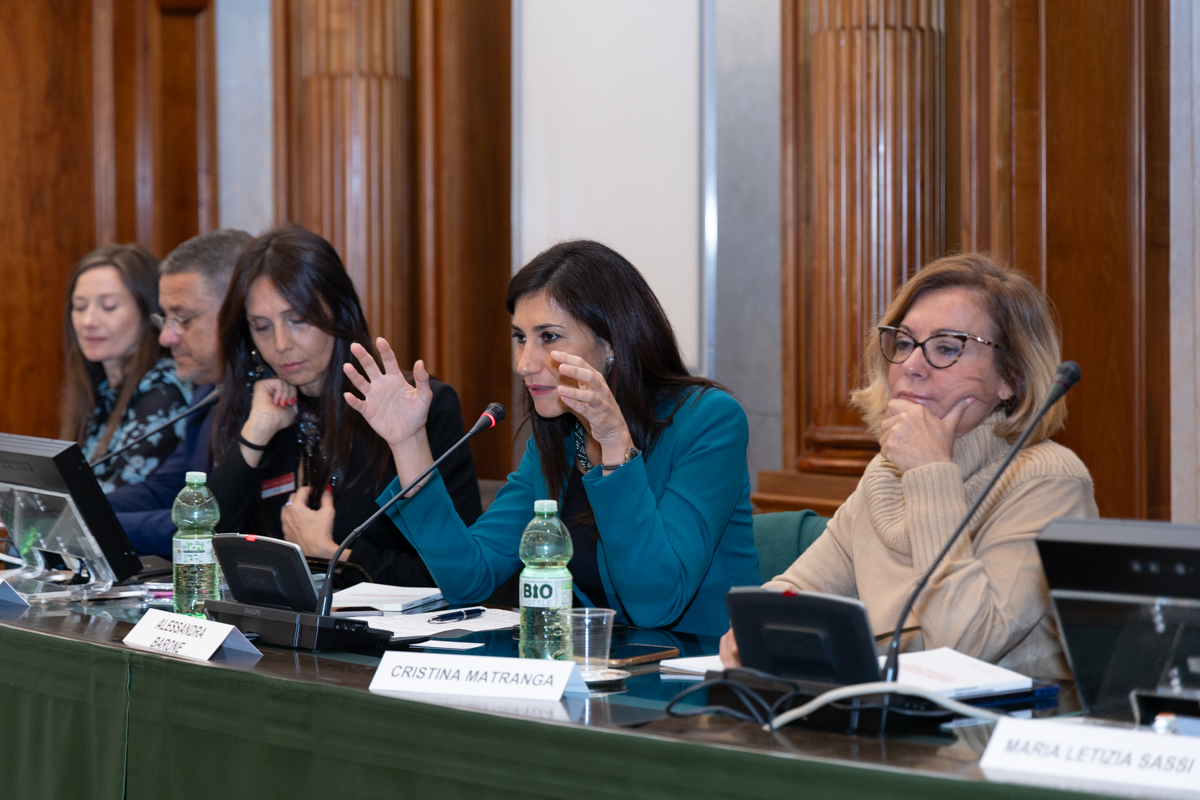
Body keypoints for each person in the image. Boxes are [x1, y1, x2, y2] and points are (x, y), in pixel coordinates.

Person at [345, 239, 760, 637]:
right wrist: (408, 443)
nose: (525, 363)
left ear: (611, 342)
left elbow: (656, 603)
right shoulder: (560, 438)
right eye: (520, 338)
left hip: (701, 672)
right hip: (597, 666)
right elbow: (469, 578)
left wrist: (615, 445)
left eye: (549, 337)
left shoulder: (709, 420)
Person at [719, 253, 1098, 679]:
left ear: (1010, 377)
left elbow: (966, 647)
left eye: (947, 348)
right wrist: (753, 628)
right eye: (903, 343)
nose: (911, 366)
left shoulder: (1049, 480)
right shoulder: (886, 473)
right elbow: (798, 590)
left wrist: (930, 472)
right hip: (889, 710)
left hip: (1003, 716)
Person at [207, 225, 481, 586]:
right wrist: (255, 433)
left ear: (339, 311)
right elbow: (203, 546)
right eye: (262, 327)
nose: (281, 343)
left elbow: (456, 573)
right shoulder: (259, 406)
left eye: (298, 320)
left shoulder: (418, 408)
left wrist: (335, 555)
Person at [107, 229, 254, 557]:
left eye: (182, 318)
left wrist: (94, 524)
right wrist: (79, 507)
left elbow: (208, 524)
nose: (166, 338)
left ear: (237, 313)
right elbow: (167, 489)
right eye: (165, 318)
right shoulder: (208, 391)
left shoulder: (276, 404)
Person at [60, 244, 191, 494]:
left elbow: (113, 498)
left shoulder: (164, 389)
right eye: (79, 307)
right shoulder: (99, 386)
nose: (88, 321)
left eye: (109, 306)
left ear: (148, 312)